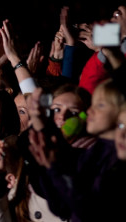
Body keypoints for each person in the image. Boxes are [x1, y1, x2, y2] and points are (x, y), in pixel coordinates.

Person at [27, 77, 125, 221]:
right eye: (56, 109)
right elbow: (61, 207)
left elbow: (88, 210)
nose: (90, 111)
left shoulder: (115, 158)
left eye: (101, 105)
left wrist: (55, 168)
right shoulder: (96, 151)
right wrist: (47, 165)